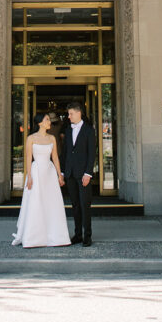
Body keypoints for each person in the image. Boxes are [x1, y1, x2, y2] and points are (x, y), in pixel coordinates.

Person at [11, 112, 71, 248]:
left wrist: (59, 175)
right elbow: (28, 158)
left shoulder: (52, 138)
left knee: (51, 202)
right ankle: (34, 237)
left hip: (49, 172)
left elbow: (55, 157)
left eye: (49, 120)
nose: (49, 122)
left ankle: (56, 236)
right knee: (36, 201)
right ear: (40, 123)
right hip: (36, 171)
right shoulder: (31, 138)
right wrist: (29, 176)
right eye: (47, 119)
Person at [61, 101, 96, 247]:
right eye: (68, 114)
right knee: (75, 205)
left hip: (83, 175)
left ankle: (87, 236)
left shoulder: (89, 130)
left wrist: (88, 173)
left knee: (85, 205)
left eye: (71, 114)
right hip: (70, 174)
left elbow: (92, 153)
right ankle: (77, 234)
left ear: (78, 113)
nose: (68, 117)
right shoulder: (68, 130)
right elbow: (65, 152)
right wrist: (62, 172)